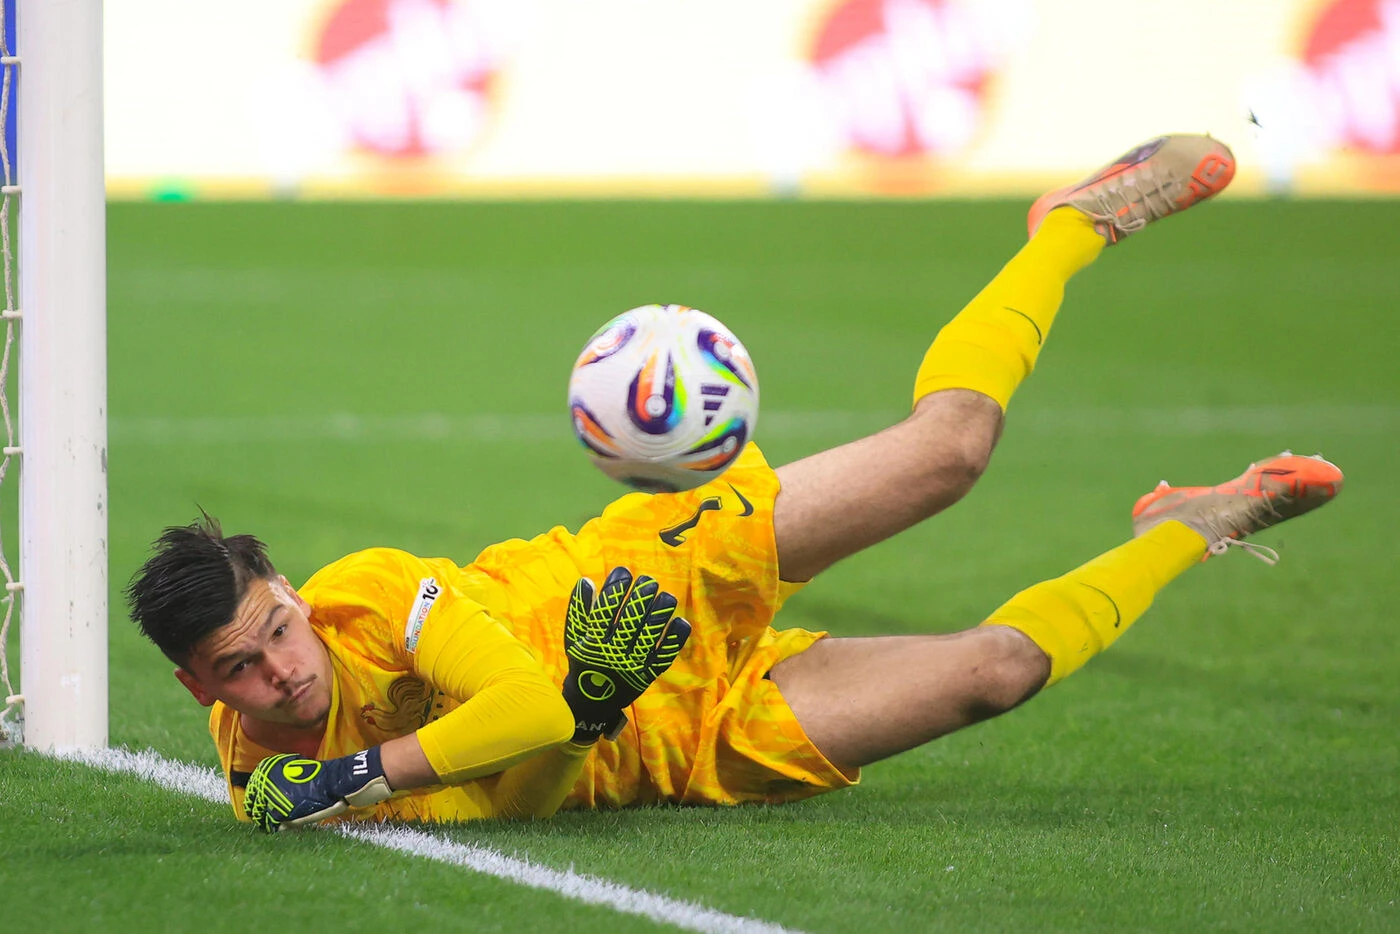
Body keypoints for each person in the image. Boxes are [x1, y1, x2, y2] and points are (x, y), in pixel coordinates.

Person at [126, 135, 1344, 831]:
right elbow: (516, 788)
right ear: (198, 686)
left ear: (288, 590)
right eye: (242, 664)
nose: (282, 665)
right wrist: (594, 710)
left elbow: (514, 704)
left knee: (949, 453)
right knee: (994, 673)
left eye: (275, 627)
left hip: (632, 578)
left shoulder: (365, 596)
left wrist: (449, 739)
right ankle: (1190, 525)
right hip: (677, 742)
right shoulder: (258, 783)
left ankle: (1067, 227)